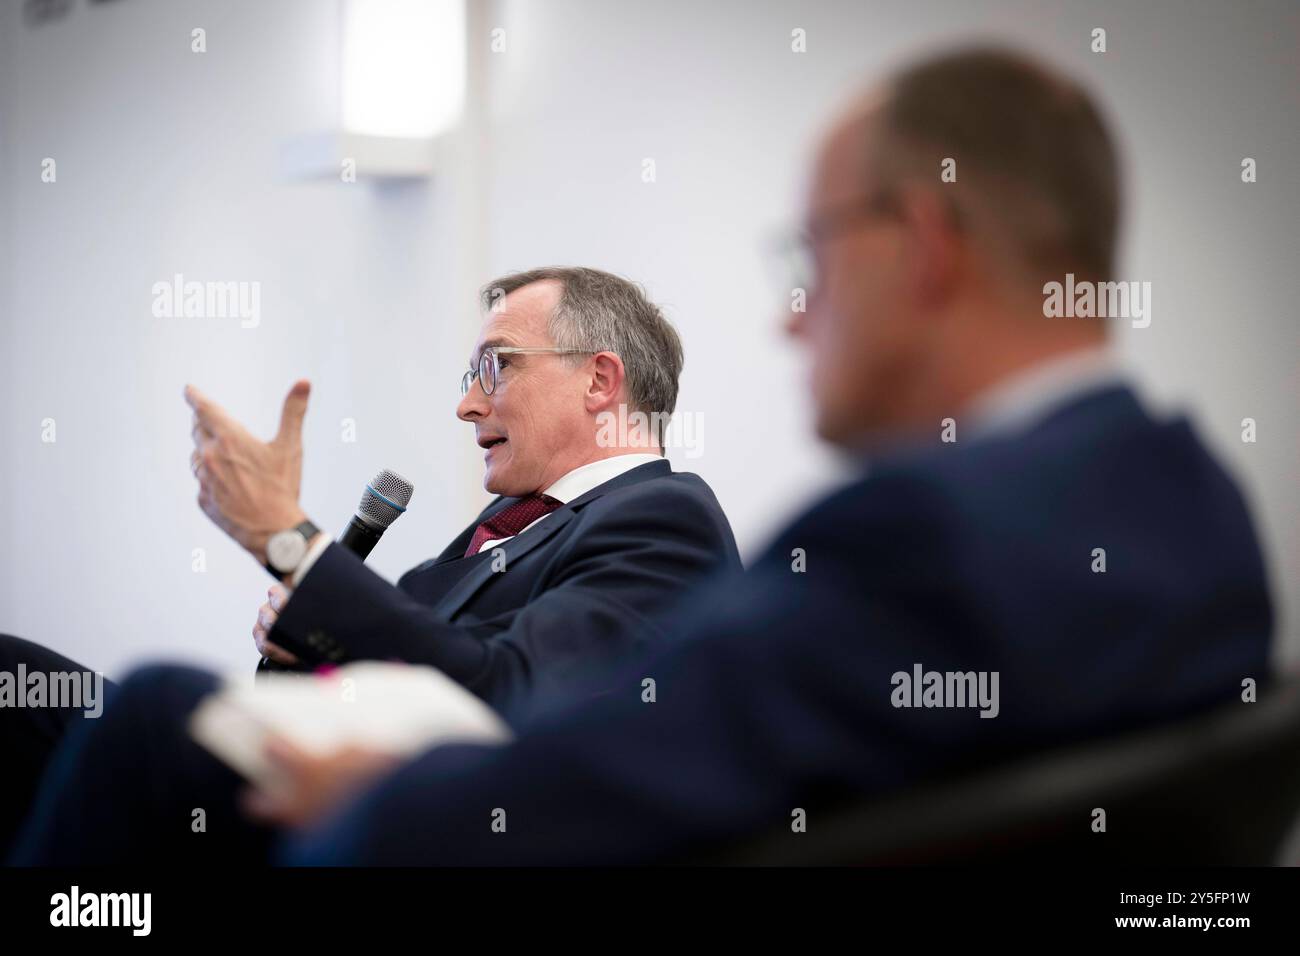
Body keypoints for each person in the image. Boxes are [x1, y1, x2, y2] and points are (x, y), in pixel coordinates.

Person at [10, 47, 1272, 866]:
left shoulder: (914, 537)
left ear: (924, 246)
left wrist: (374, 801)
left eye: (809, 260)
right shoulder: (1191, 509)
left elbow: (601, 769)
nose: (791, 315)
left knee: (153, 715)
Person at [1, 267, 739, 859]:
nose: (469, 406)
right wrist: (303, 641)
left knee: (154, 700)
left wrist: (291, 543)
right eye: (469, 376)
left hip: (417, 822)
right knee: (16, 685)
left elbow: (510, 695)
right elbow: (405, 665)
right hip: (335, 770)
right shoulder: (503, 527)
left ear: (600, 381)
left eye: (497, 366)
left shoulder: (664, 518)